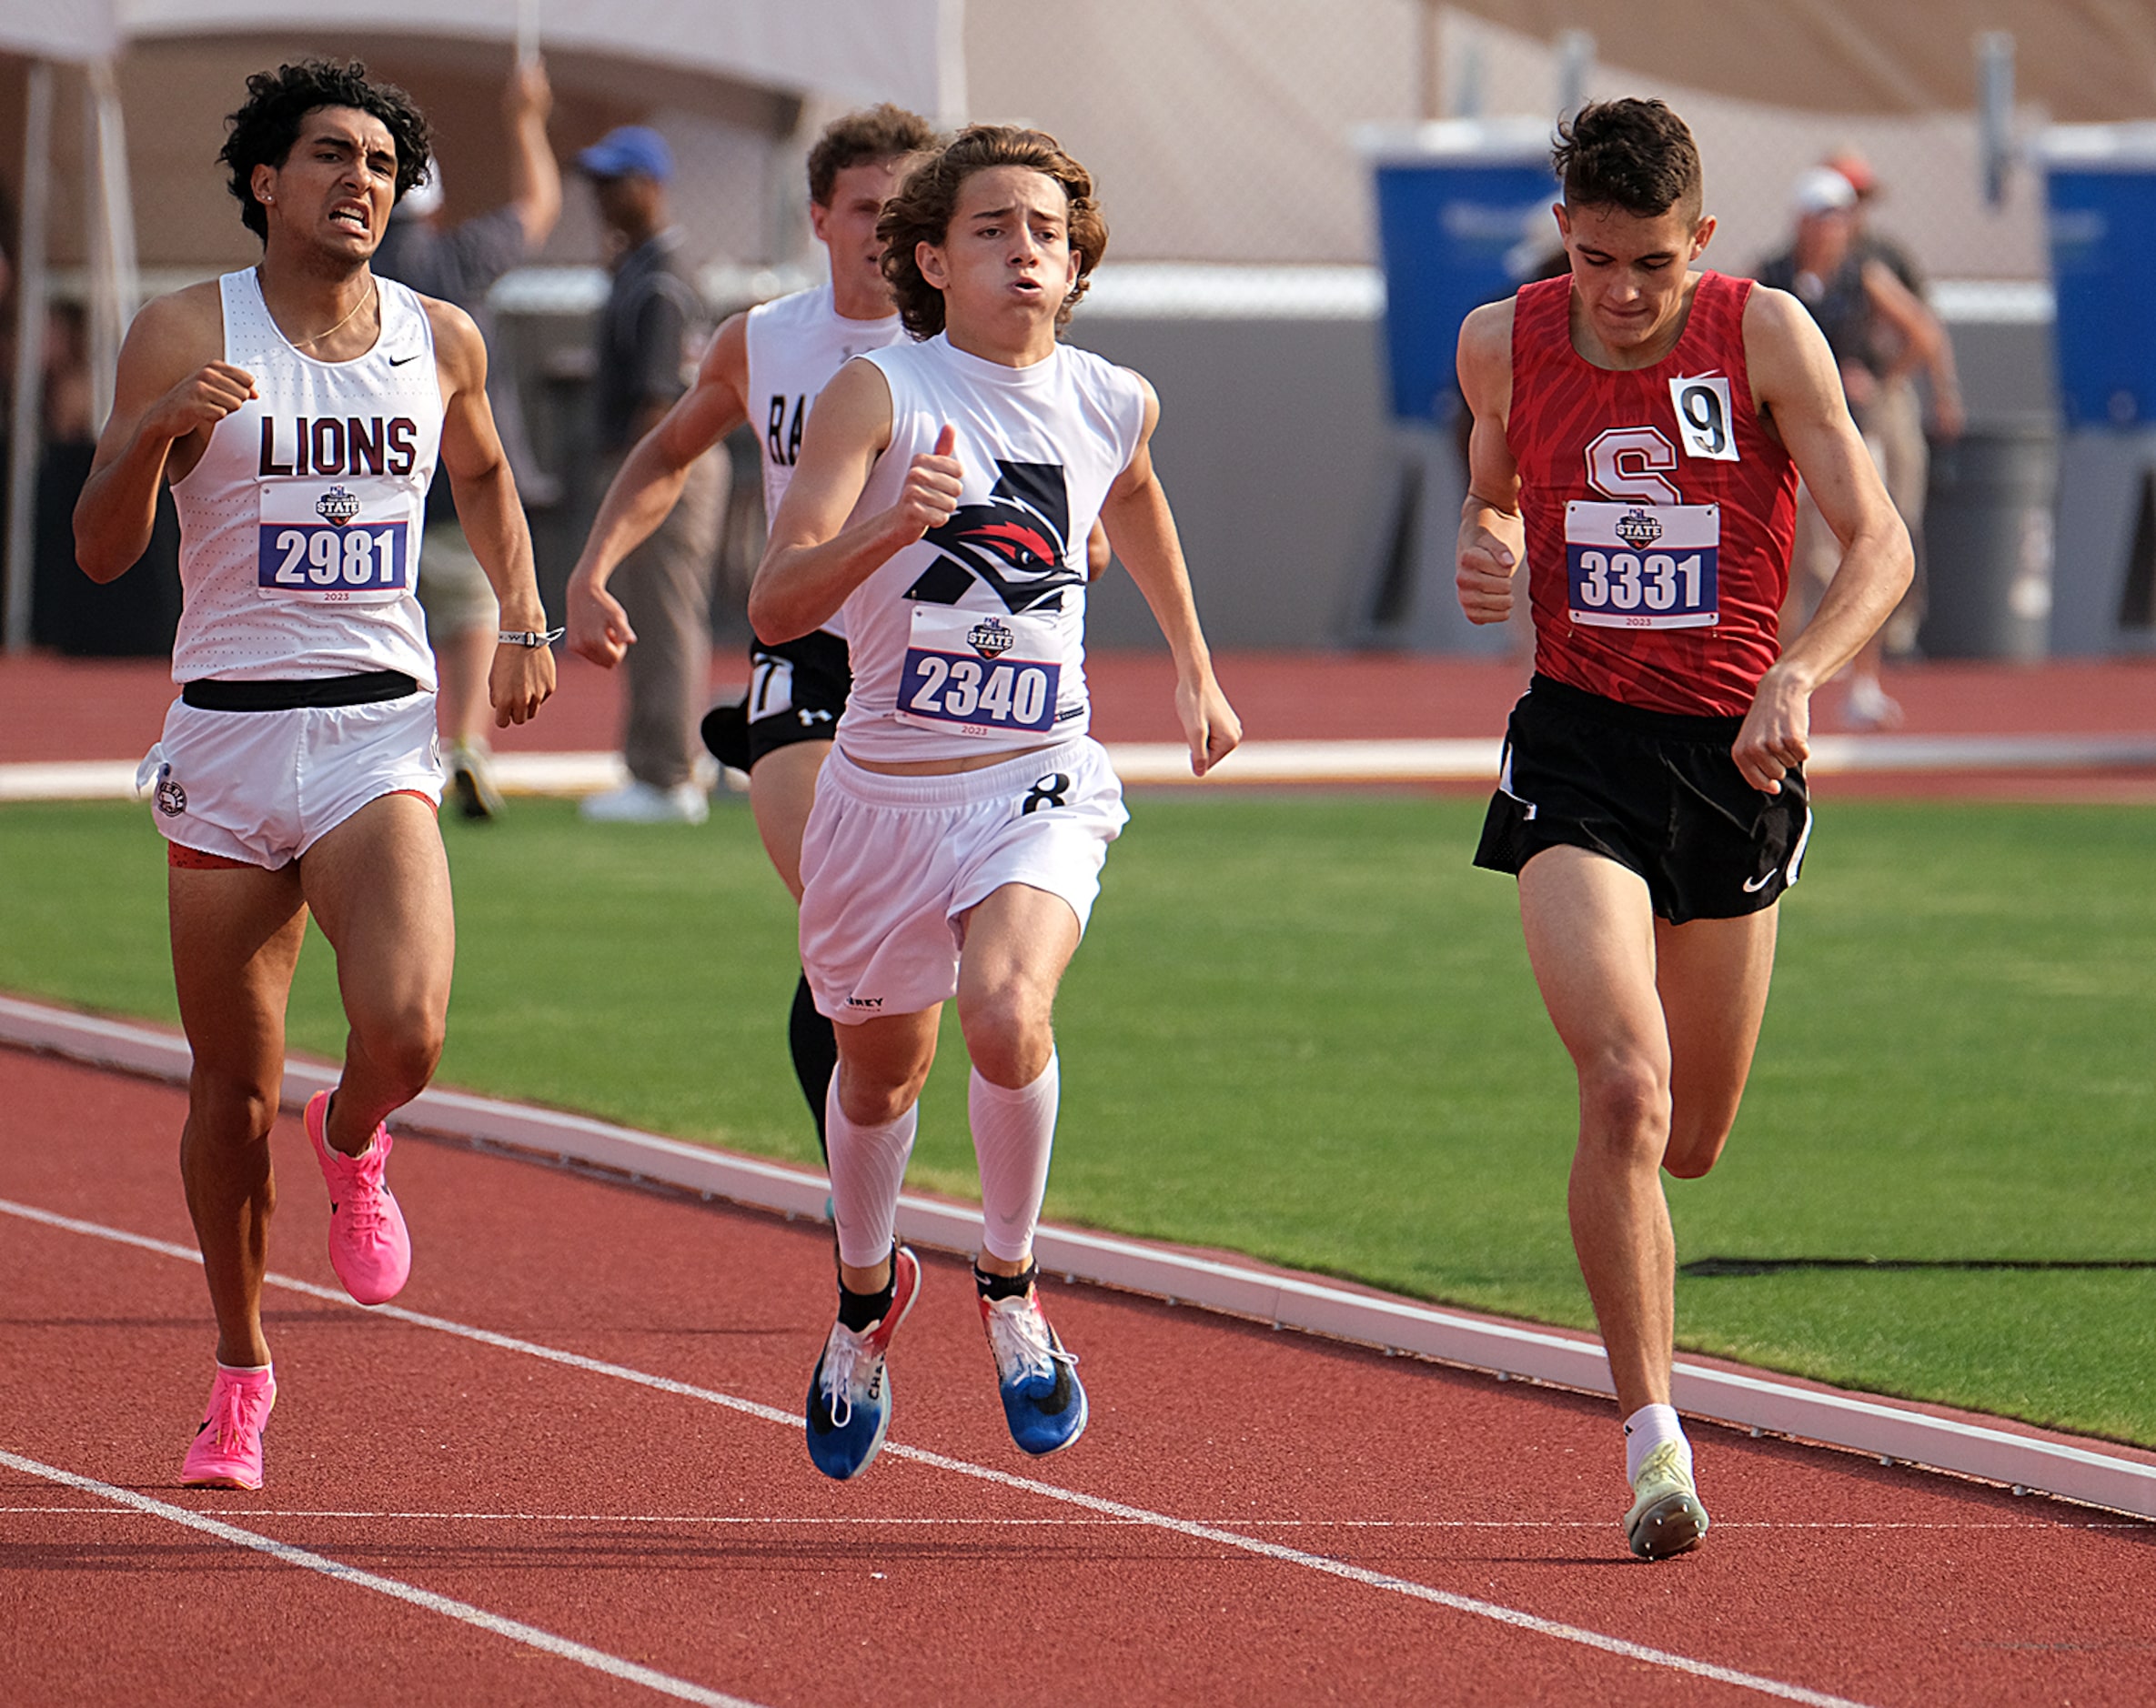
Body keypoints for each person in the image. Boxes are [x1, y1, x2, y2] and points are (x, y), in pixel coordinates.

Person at [73, 59, 556, 1492]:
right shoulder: (179, 328)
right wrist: (157, 435)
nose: (362, 182)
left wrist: (521, 618)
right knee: (229, 1093)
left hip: (375, 731)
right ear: (265, 182)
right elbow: (103, 550)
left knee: (401, 1028)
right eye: (332, 156)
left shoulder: (438, 335)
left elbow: (484, 475)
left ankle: (356, 1143)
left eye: (384, 166)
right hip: (223, 733)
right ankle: (240, 1371)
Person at [1454, 98, 1909, 1559]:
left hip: (1730, 762)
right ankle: (1656, 1443)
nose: (1622, 294)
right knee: (1624, 1085)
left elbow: (1878, 540)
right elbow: (1495, 494)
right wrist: (1491, 542)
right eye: (1594, 260)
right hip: (1575, 748)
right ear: (1562, 238)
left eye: (1650, 262)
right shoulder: (1499, 340)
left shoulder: (1765, 332)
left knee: (1694, 1140)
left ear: (1697, 241)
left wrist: (1799, 669)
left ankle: (1650, 1326)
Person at [749, 125, 1239, 1481]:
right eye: (993, 229)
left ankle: (1012, 1290)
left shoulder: (1111, 397)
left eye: (1047, 231)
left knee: (1008, 1009)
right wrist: (889, 529)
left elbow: (1133, 492)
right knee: (877, 1068)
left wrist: (1193, 666)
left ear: (1074, 261)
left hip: (1039, 778)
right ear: (928, 257)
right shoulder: (876, 394)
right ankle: (862, 1301)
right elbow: (777, 604)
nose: (1027, 250)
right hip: (882, 792)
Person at [568, 104, 939, 1154]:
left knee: (903, 961)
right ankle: (857, 1217)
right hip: (807, 649)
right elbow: (667, 452)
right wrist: (595, 568)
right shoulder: (764, 338)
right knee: (843, 911)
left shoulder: (963, 346)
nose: (885, 229)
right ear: (819, 216)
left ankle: (874, 1173)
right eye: (865, 207)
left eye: (905, 208)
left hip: (933, 658)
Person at [371, 57, 562, 819]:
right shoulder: (458, 256)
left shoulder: (350, 267)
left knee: (381, 619)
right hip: (458, 467)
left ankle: (392, 753)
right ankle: (469, 746)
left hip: (374, 475)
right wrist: (525, 120)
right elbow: (540, 205)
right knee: (475, 607)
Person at [1754, 166, 1950, 728]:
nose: (1833, 227)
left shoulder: (1861, 273)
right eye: (1823, 214)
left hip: (1848, 435)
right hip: (1785, 440)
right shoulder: (1770, 276)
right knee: (1786, 562)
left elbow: (1923, 331)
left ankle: (1864, 683)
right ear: (1801, 219)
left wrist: (1883, 376)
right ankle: (1776, 676)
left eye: (1840, 216)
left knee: (1867, 551)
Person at [573, 125, 724, 824]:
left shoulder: (660, 276)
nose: (600, 197)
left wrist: (640, 484)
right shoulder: (644, 265)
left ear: (650, 186)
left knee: (660, 615)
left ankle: (666, 776)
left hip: (670, 462)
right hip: (666, 460)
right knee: (649, 609)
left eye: (613, 182)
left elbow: (660, 402)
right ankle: (654, 766)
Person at [1822, 147, 1966, 659]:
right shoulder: (1801, 258)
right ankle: (1830, 631)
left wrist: (1936, 388)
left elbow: (1924, 327)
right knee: (1828, 519)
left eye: (1857, 199)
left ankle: (1896, 625)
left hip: (1881, 396)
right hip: (1823, 401)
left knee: (1898, 506)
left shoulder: (1880, 257)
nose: (1848, 210)